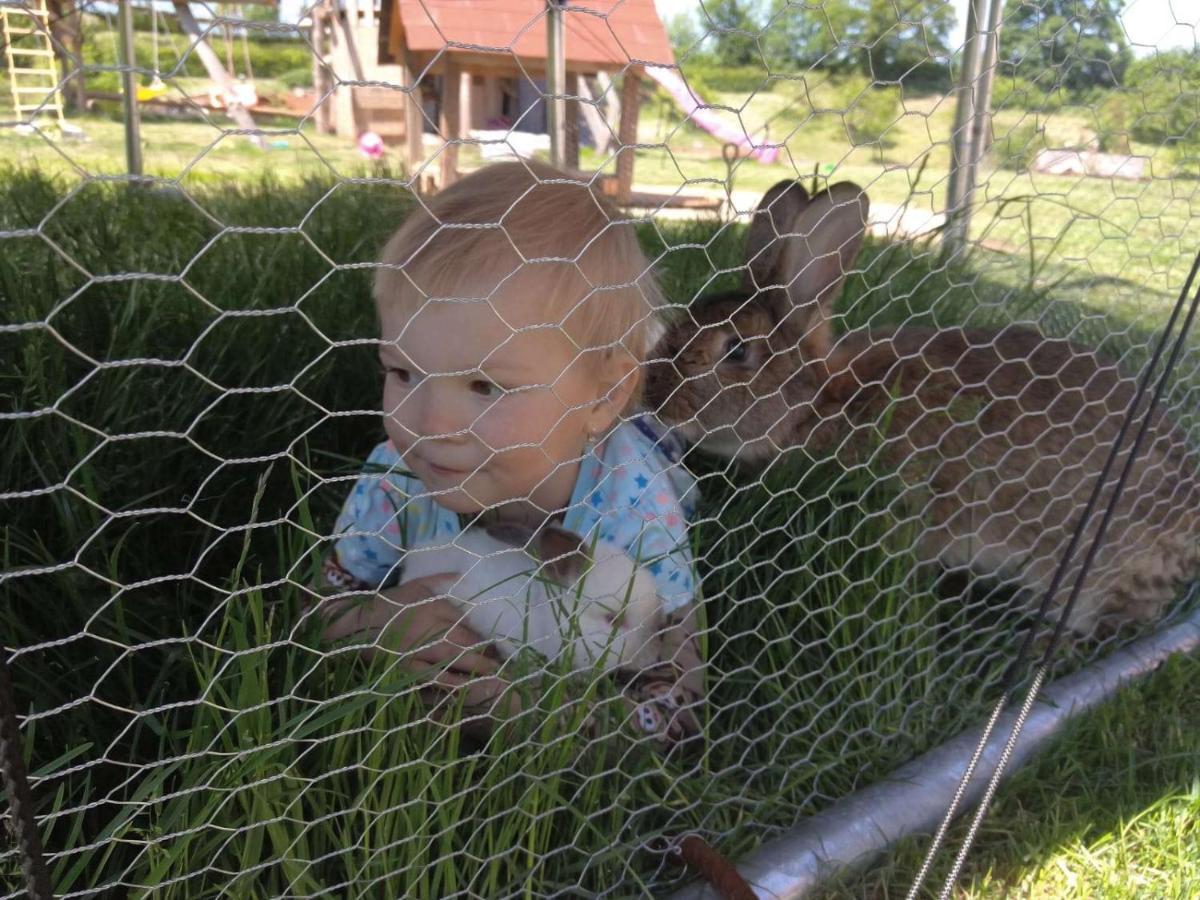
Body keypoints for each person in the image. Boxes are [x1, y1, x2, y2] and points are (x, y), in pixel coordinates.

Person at [311, 161, 703, 747]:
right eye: (402, 371)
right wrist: (379, 623)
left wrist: (540, 716)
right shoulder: (394, 475)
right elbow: (317, 615)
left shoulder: (636, 501)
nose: (431, 426)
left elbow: (679, 674)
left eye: (486, 386)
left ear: (604, 394)